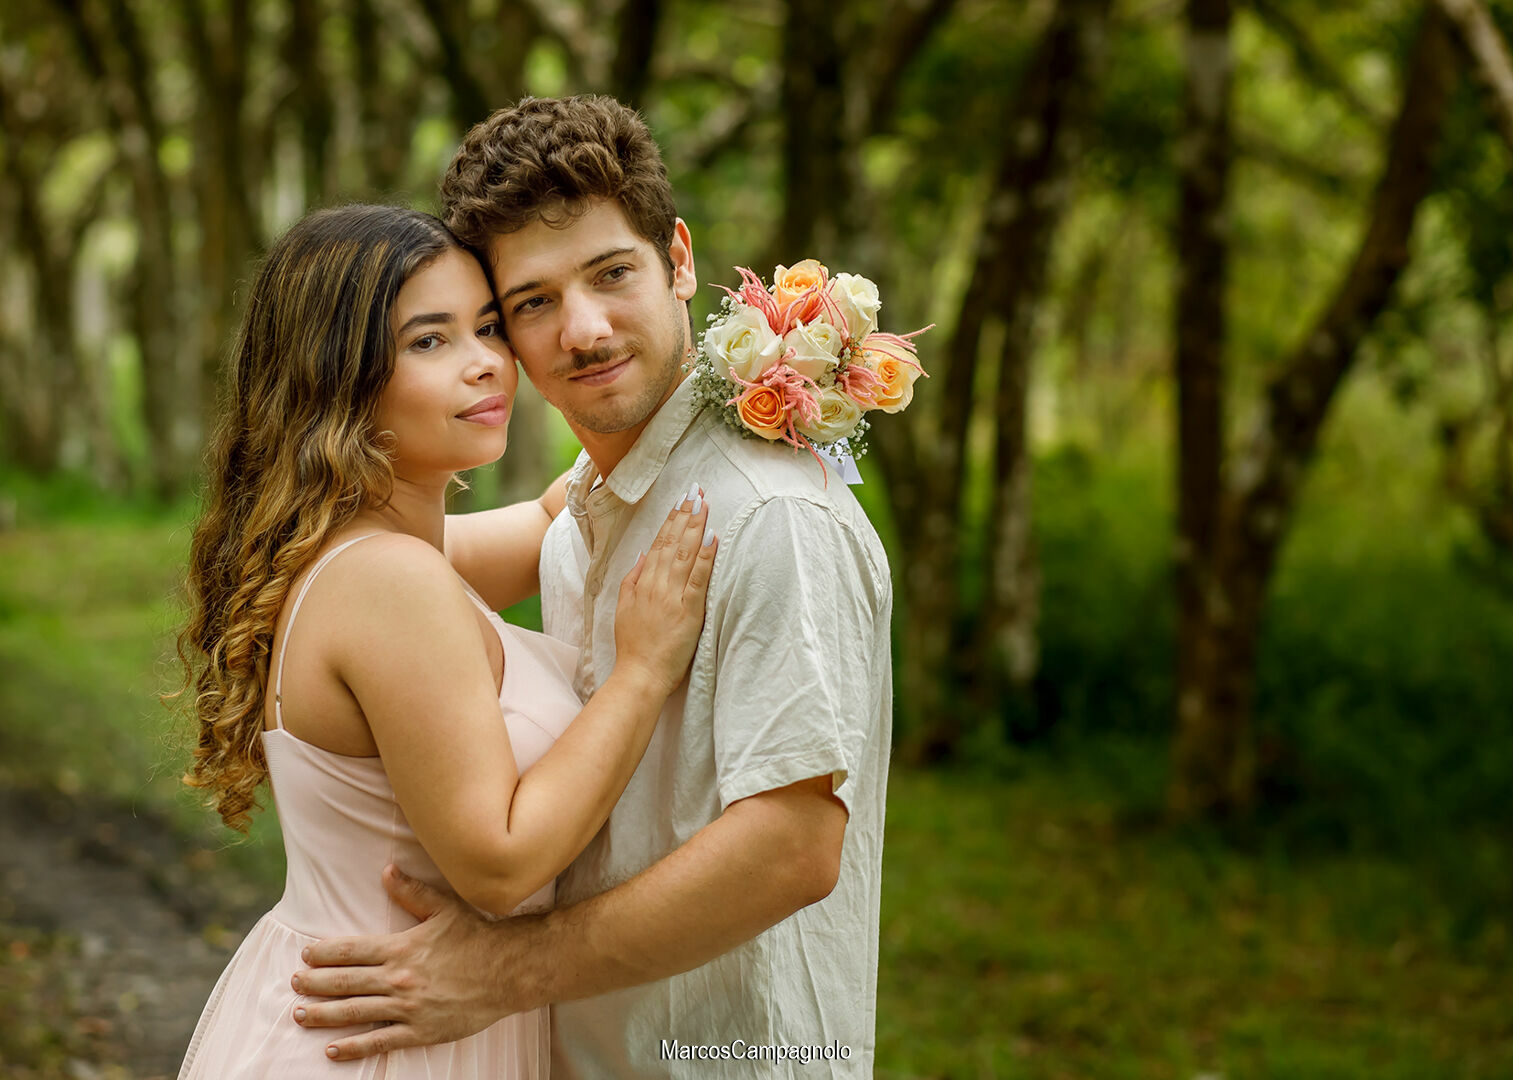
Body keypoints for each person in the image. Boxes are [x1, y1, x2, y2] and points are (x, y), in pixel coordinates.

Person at [292, 96, 894, 1077]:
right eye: (531, 303)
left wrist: (500, 970)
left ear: (680, 260)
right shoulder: (589, 506)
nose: (582, 330)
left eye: (612, 275)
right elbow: (400, 562)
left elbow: (791, 848)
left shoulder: (767, 518)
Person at [174, 202, 717, 1078]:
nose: (486, 365)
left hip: (392, 1018)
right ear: (336, 380)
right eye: (430, 341)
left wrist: (733, 378)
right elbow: (498, 865)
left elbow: (563, 508)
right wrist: (642, 672)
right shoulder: (390, 583)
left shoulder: (373, 555)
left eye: (490, 326)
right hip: (384, 1043)